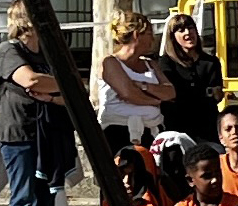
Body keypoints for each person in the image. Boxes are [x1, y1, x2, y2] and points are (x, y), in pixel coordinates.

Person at [0, 3, 73, 206]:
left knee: (46, 193)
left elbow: (76, 89)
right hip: (18, 133)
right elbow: (30, 79)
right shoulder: (10, 50)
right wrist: (61, 84)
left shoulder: (47, 53)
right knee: (23, 194)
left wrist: (54, 92)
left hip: (48, 133)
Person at [96, 10, 168, 145]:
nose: (152, 39)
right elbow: (129, 94)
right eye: (149, 34)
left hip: (152, 129)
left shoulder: (150, 63)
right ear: (136, 35)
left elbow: (169, 92)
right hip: (119, 131)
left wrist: (143, 86)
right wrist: (156, 100)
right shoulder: (110, 62)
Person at [153, 11, 225, 140]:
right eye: (181, 30)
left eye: (190, 28)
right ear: (173, 36)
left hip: (207, 127)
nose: (187, 33)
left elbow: (216, 94)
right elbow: (171, 95)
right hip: (177, 128)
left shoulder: (210, 62)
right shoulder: (166, 63)